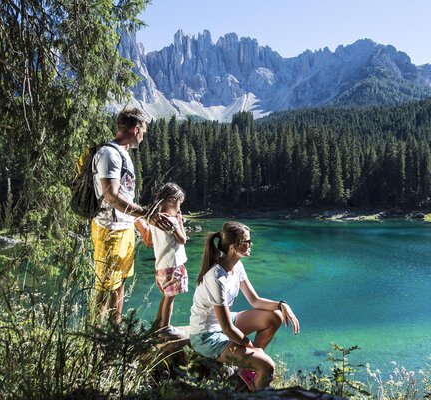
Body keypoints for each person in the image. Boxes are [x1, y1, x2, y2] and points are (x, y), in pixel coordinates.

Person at [189, 221, 300, 391]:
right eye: (247, 242)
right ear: (234, 247)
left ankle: (247, 368)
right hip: (206, 335)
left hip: (224, 323)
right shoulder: (216, 278)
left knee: (275, 316)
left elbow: (255, 300)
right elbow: (227, 329)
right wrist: (253, 347)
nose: (251, 244)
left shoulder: (237, 265)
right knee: (267, 366)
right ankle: (255, 377)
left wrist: (282, 305)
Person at [91, 108, 173, 324]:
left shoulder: (123, 155)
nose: (143, 136)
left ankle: (115, 336)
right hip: (109, 230)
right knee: (104, 288)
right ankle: (95, 340)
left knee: (119, 285)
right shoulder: (109, 154)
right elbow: (111, 196)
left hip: (123, 230)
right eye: (143, 132)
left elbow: (125, 198)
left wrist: (140, 226)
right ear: (136, 129)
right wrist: (147, 215)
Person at [147, 182, 188, 339]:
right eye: (179, 204)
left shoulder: (155, 220)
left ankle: (156, 326)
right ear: (171, 200)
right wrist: (180, 221)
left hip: (161, 265)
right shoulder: (171, 220)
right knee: (170, 299)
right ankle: (166, 328)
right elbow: (182, 239)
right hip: (173, 266)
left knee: (165, 296)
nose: (179, 208)